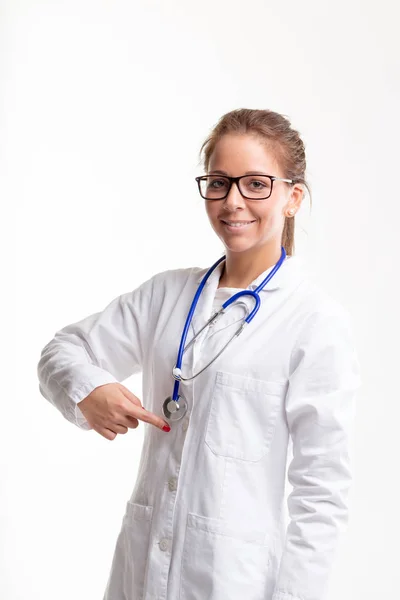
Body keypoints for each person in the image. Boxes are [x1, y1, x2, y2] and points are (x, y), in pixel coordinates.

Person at [37, 108, 362, 600]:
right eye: (218, 182)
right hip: (141, 573)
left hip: (233, 582)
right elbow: (63, 348)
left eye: (256, 184)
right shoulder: (166, 295)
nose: (233, 201)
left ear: (293, 197)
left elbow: (322, 493)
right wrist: (90, 388)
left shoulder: (314, 322)